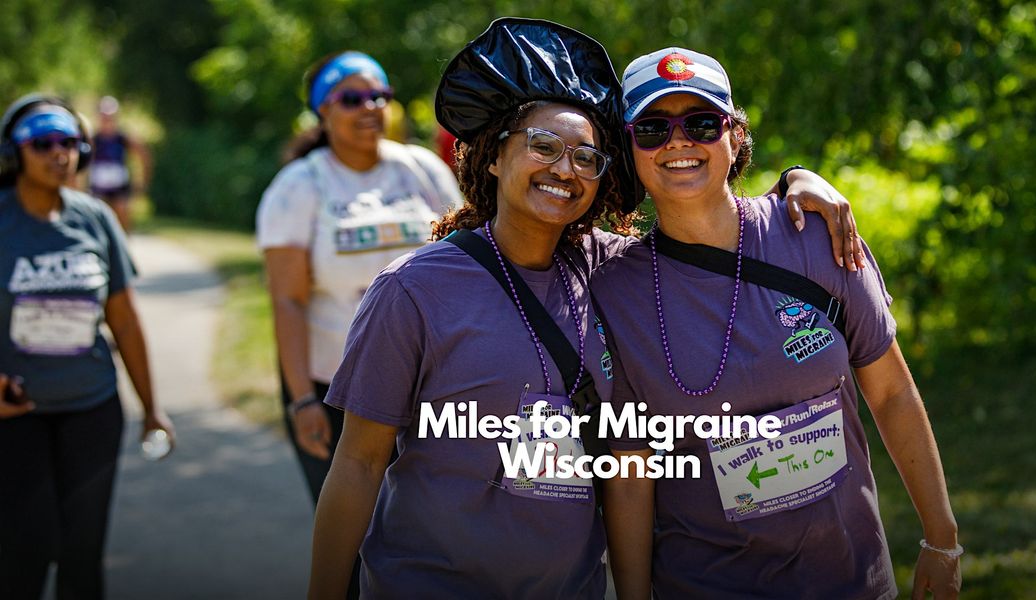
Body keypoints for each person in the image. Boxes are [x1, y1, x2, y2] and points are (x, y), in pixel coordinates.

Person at [309, 20, 868, 599]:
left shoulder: (610, 270)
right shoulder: (413, 291)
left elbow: (709, 234)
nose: (564, 169)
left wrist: (794, 184)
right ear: (495, 156)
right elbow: (358, 466)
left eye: (586, 157)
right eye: (543, 147)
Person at [596, 48, 961, 599]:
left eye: (701, 123)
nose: (678, 142)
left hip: (852, 582)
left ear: (735, 136)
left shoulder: (816, 235)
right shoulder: (614, 290)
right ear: (629, 150)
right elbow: (631, 470)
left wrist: (942, 538)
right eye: (652, 128)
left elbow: (892, 394)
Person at [255, 50, 463, 512]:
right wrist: (301, 401)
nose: (369, 107)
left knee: (432, 525)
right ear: (323, 109)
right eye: (352, 98)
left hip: (429, 387)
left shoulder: (421, 169)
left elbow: (465, 262)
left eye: (379, 96)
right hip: (336, 392)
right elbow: (288, 301)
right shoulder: (299, 186)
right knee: (355, 531)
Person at [0, 93, 174, 600]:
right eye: (43, 144)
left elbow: (125, 319)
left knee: (83, 552)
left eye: (70, 143)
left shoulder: (96, 219)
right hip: (16, 416)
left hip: (92, 408)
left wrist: (151, 407)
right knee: (24, 552)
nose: (60, 154)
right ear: (14, 153)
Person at [87, 96, 152, 232]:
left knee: (122, 212)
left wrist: (141, 183)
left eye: (110, 117)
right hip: (98, 189)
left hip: (119, 188)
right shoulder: (93, 140)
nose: (107, 120)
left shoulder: (123, 138)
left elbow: (144, 156)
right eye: (104, 117)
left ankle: (124, 242)